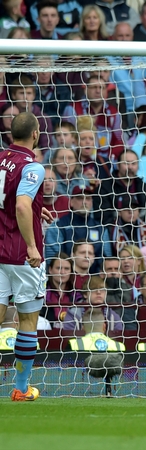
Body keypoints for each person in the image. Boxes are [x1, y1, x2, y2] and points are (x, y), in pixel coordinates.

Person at [0, 112, 46, 402]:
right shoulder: (33, 167)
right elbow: (21, 206)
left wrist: (38, 212)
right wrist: (32, 245)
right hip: (20, 254)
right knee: (27, 319)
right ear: (36, 134)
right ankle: (21, 388)